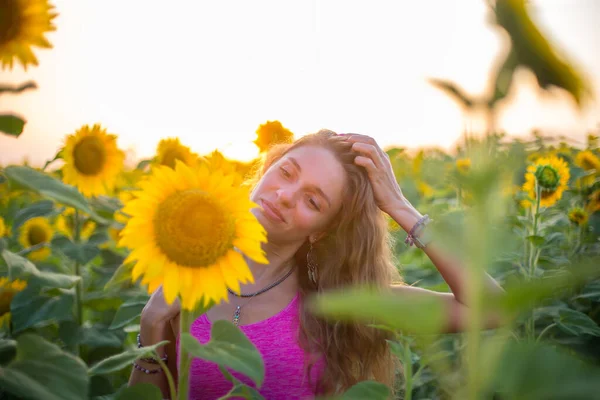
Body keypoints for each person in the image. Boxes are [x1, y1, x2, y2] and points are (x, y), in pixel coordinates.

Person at [129, 130, 503, 399]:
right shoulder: (185, 270)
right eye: (287, 173)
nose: (286, 196)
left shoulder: (338, 305)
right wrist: (151, 328)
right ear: (266, 170)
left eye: (314, 202)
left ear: (322, 232)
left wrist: (400, 208)